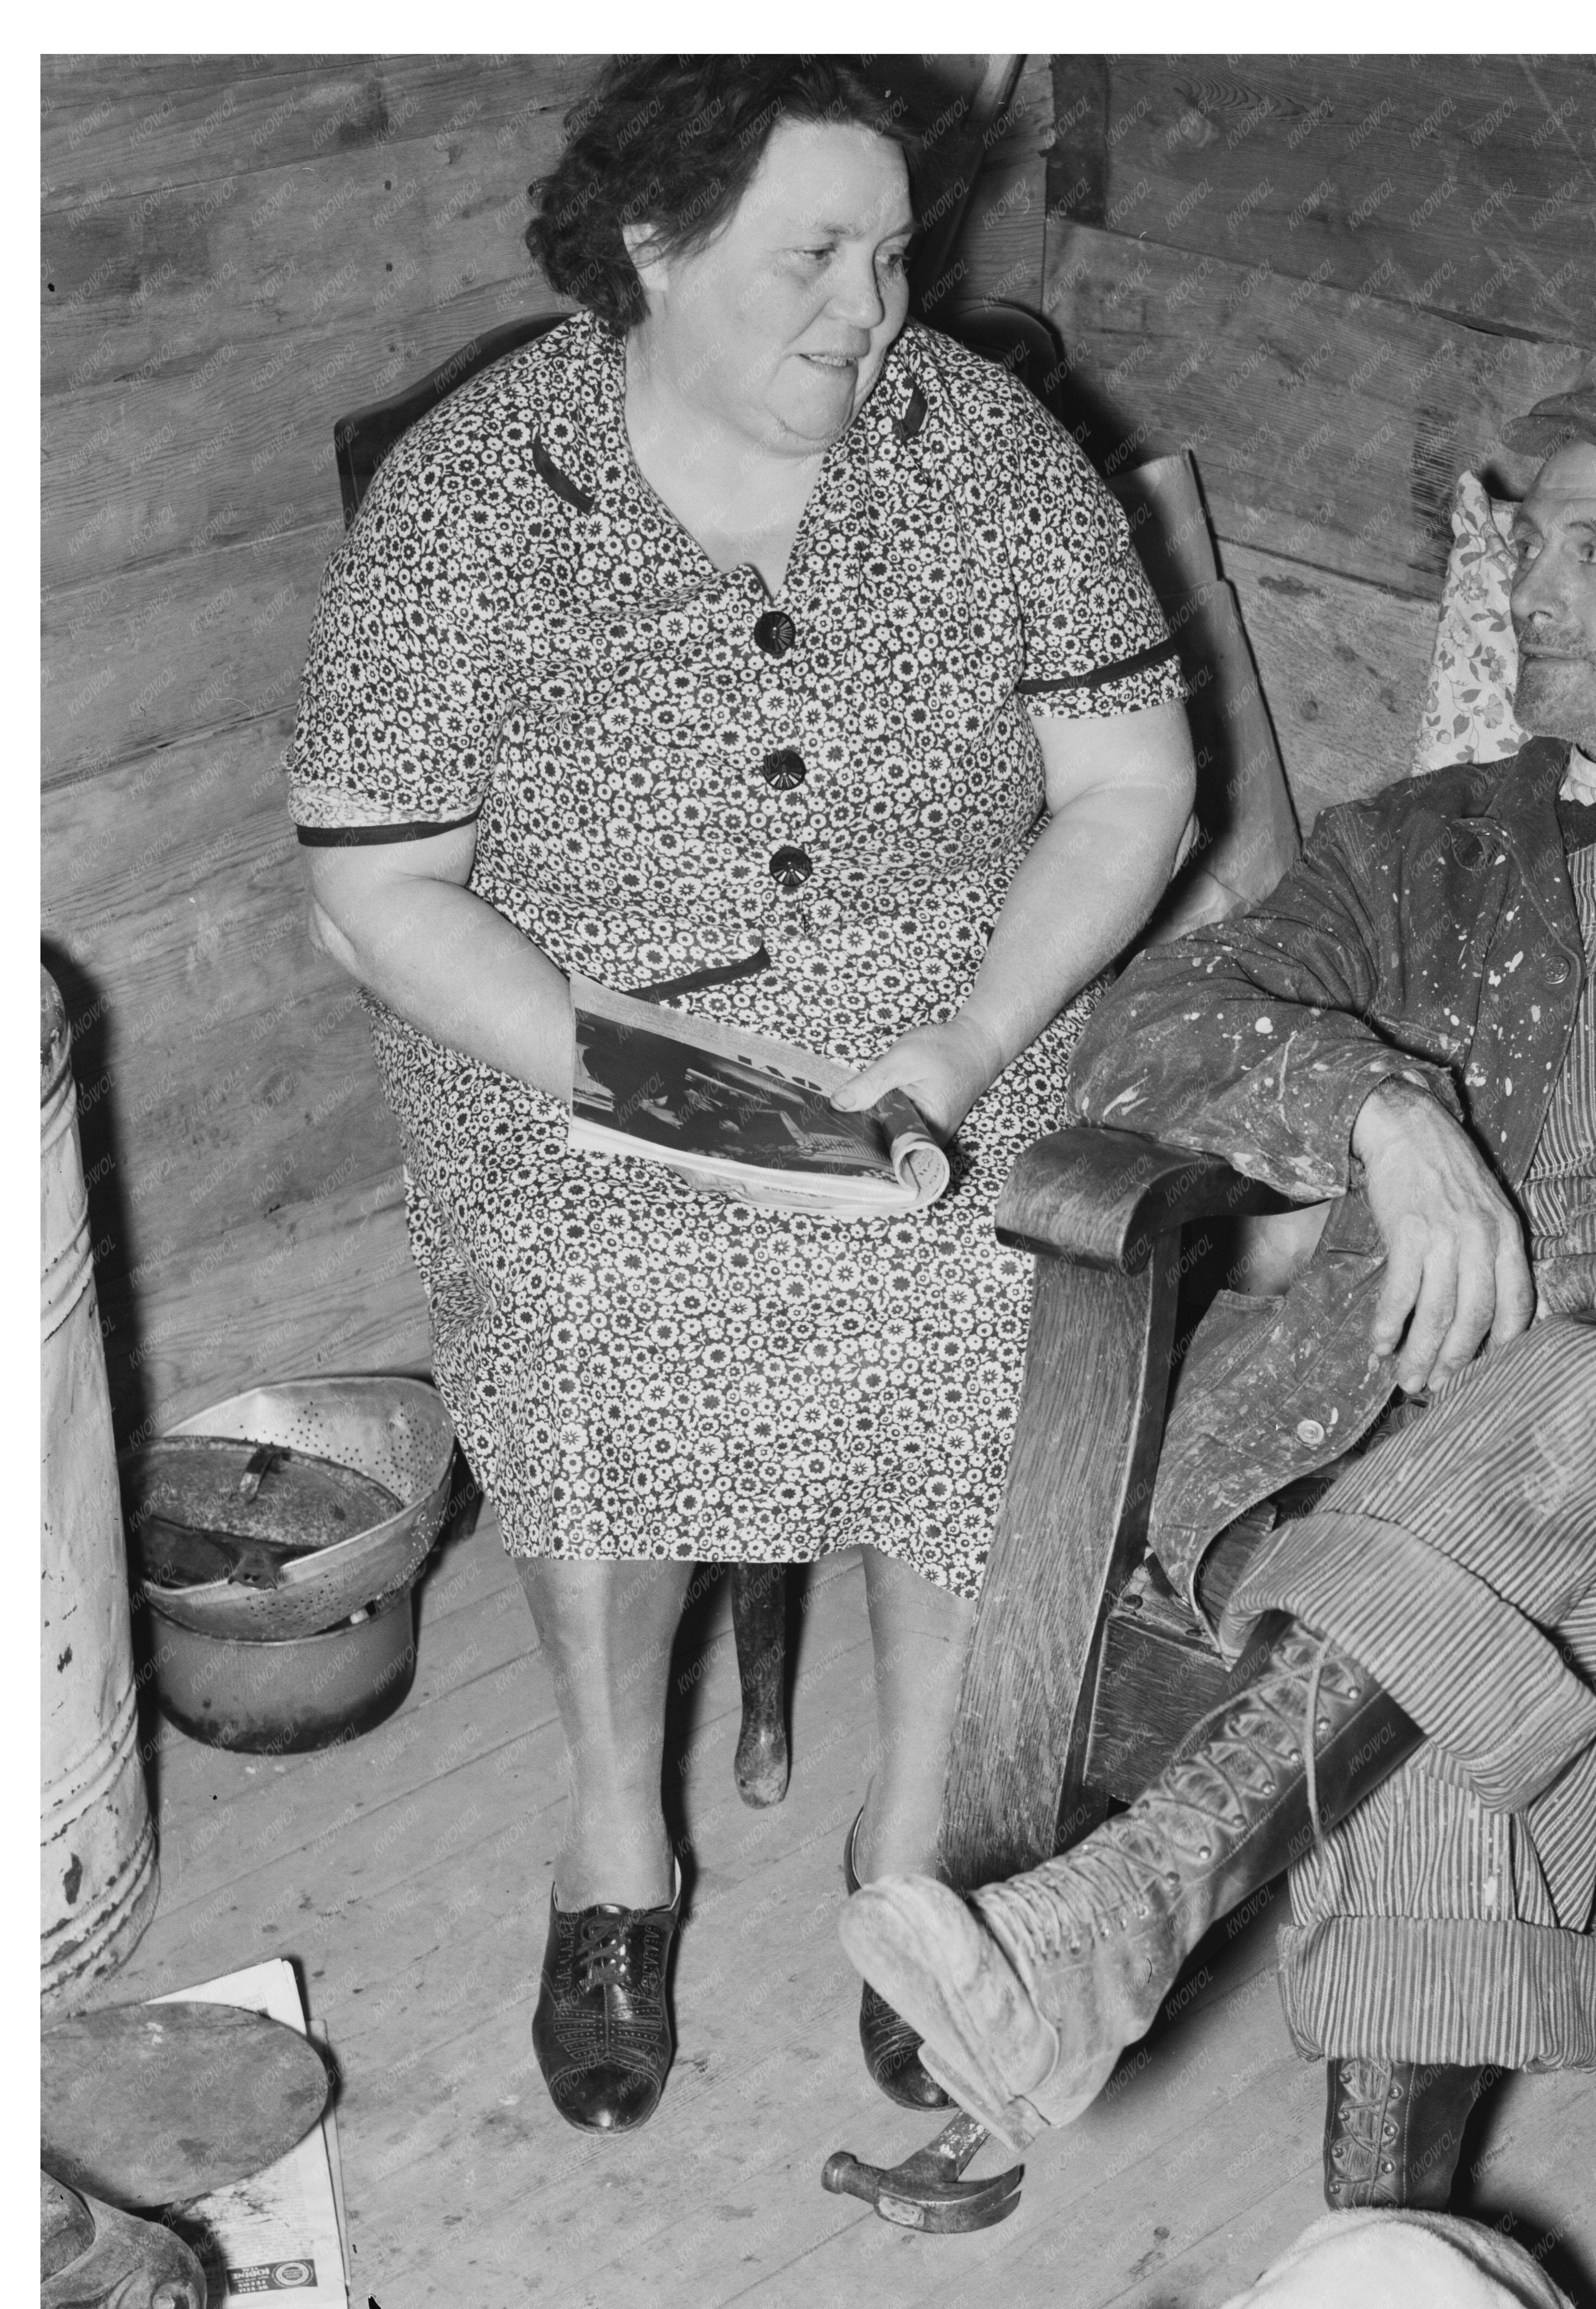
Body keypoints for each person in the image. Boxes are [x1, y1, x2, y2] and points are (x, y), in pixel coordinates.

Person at [841, 384, 1596, 2205]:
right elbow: (1144, 1029)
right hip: (1424, 1448)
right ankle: (1387, 2241)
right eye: (1524, 544)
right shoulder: (1413, 846)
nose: (1528, 590)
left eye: (1591, 548)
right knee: (1450, 1646)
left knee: (1557, 1410)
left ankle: (1133, 1899)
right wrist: (1377, 1111)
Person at [287, 57, 1194, 2134]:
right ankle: (618, 1840)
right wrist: (671, 1092)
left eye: (889, 255)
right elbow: (378, 900)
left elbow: (1132, 790)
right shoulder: (477, 492)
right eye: (811, 254)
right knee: (595, 1316)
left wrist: (961, 1045)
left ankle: (917, 1849)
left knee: (977, 1299)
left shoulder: (980, 449)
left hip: (943, 1011)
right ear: (655, 247)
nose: (866, 309)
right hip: (581, 1033)